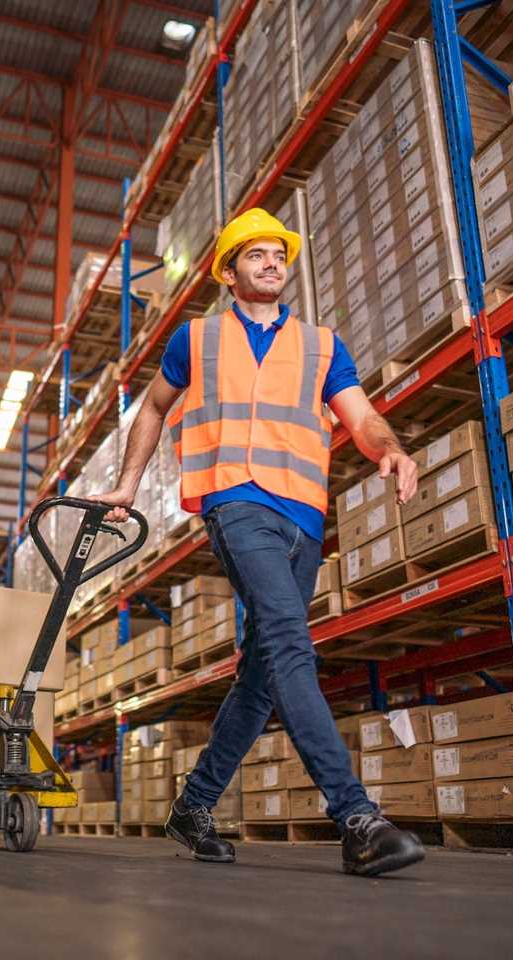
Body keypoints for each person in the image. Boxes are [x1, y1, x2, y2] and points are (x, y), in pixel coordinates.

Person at [94, 208, 424, 877]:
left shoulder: (322, 345)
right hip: (235, 502)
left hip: (302, 514)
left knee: (260, 679)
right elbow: (154, 406)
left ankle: (193, 805)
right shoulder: (198, 339)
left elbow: (360, 416)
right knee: (287, 640)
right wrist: (128, 484)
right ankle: (356, 818)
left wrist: (391, 451)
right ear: (230, 271)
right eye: (256, 256)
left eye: (279, 255)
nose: (271, 263)